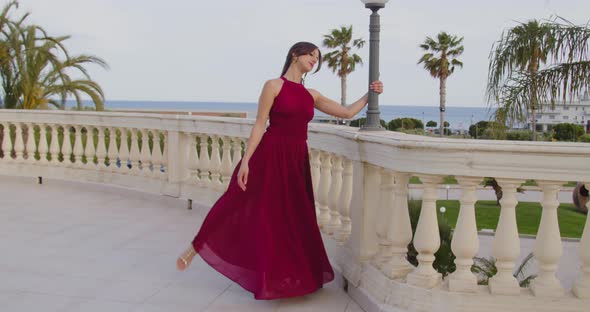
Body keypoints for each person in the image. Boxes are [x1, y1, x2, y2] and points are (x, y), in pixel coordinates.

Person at [176, 41, 383, 300]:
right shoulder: (273, 86)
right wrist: (247, 161)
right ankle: (196, 246)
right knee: (238, 202)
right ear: (295, 55)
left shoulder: (312, 95)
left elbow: (347, 112)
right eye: (311, 54)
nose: (314, 60)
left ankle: (287, 277)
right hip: (270, 155)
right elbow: (260, 124)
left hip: (296, 160)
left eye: (317, 58)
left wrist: (368, 94)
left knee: (293, 217)